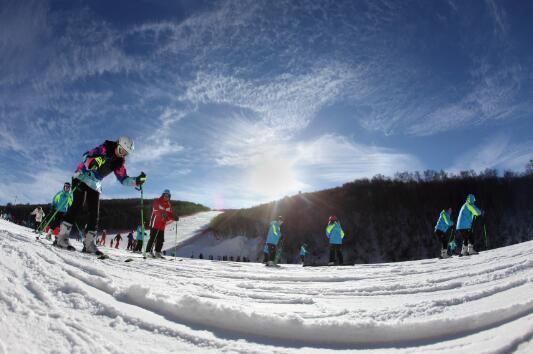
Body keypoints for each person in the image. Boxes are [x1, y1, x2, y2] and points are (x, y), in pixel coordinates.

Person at [55, 136, 146, 254]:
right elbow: (86, 156)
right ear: (117, 144)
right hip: (82, 176)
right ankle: (62, 238)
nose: (122, 154)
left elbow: (123, 179)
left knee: (95, 212)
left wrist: (137, 181)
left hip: (95, 183)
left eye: (125, 153)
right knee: (77, 204)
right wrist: (92, 161)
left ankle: (89, 244)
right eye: (121, 150)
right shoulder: (105, 148)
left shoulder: (119, 163)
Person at [145, 189, 173, 258]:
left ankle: (157, 252)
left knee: (161, 240)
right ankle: (148, 252)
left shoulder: (169, 205)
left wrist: (172, 217)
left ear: (169, 196)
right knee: (153, 238)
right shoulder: (157, 201)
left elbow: (169, 215)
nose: (166, 197)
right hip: (155, 222)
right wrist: (161, 214)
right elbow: (155, 210)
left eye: (168, 196)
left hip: (162, 225)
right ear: (163, 195)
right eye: (165, 195)